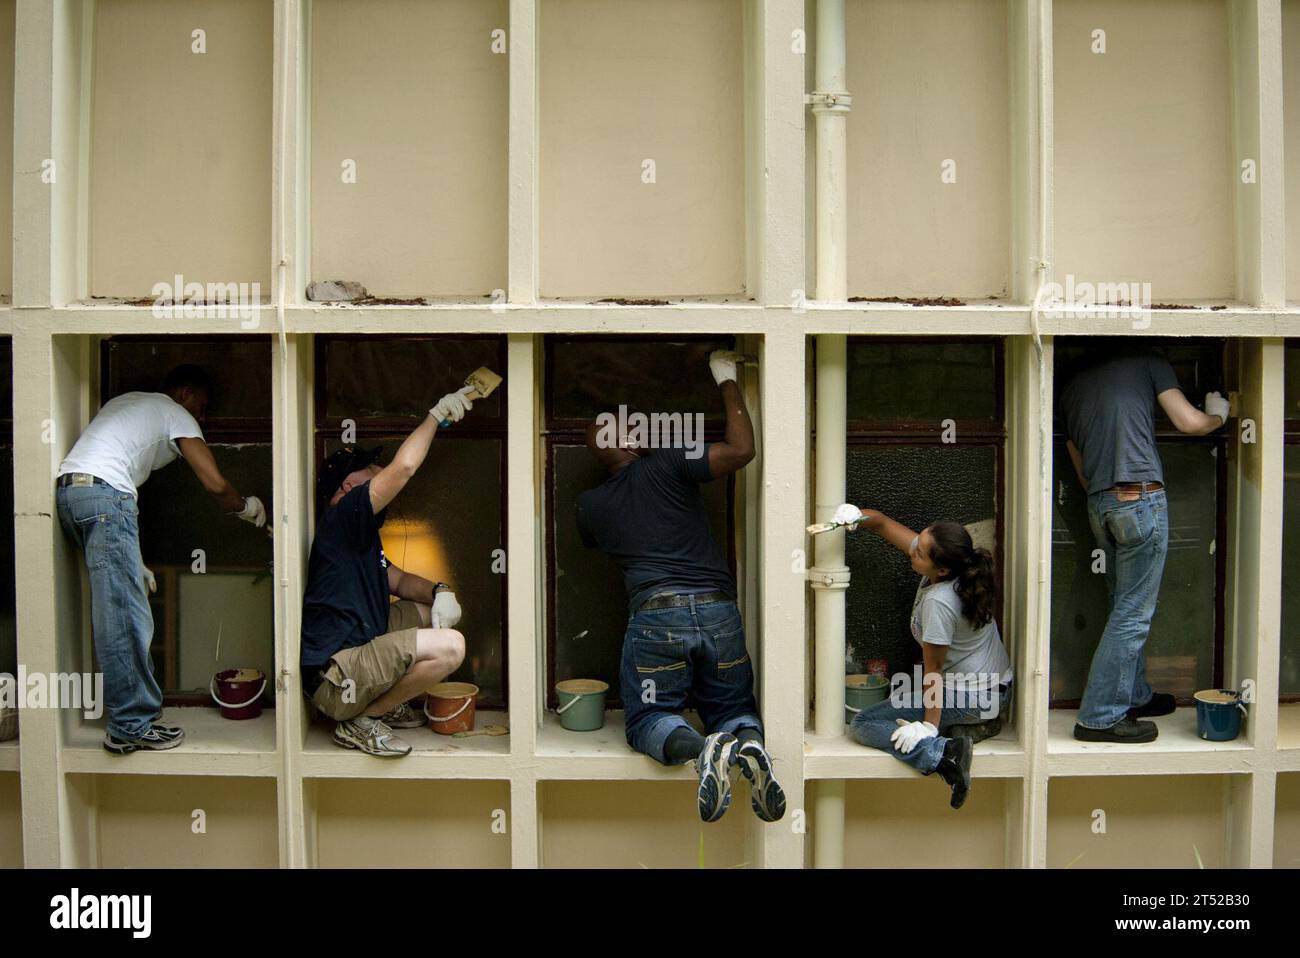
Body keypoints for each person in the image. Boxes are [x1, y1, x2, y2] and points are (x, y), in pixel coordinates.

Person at [576, 350, 785, 823]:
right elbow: (740, 451)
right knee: (732, 706)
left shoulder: (588, 505)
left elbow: (598, 546)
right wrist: (726, 379)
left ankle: (702, 749)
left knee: (650, 719)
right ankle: (746, 746)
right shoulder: (669, 465)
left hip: (655, 617)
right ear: (628, 442)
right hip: (717, 611)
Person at [56, 364, 268, 754]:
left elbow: (111, 462)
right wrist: (245, 507)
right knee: (126, 617)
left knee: (115, 606)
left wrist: (132, 559)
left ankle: (132, 716)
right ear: (185, 393)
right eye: (201, 408)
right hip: (107, 499)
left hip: (72, 495)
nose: (200, 419)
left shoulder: (127, 403)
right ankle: (130, 725)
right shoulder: (175, 412)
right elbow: (214, 482)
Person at [1060, 346, 1229, 743]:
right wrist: (1220, 414)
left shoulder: (1069, 386)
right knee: (1133, 615)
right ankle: (1099, 717)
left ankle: (1133, 695)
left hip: (1100, 503)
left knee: (1123, 605)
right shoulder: (1150, 363)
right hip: (1139, 497)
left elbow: (1081, 470)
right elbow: (1189, 423)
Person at [300, 384, 478, 757]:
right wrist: (436, 415)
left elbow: (397, 580)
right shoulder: (343, 516)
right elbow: (405, 467)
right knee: (451, 647)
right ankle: (361, 721)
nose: (380, 471)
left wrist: (440, 590)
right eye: (372, 470)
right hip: (335, 679)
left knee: (430, 616)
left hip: (354, 659)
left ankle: (377, 702)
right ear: (350, 486)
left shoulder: (357, 536)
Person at [835, 505, 1012, 809]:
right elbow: (881, 522)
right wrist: (853, 517)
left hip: (975, 696)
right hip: (988, 690)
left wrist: (929, 727)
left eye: (920, 551)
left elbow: (934, 670)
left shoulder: (940, 604)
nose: (913, 548)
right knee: (902, 707)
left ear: (941, 569)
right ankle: (969, 729)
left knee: (864, 724)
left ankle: (944, 754)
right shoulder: (948, 567)